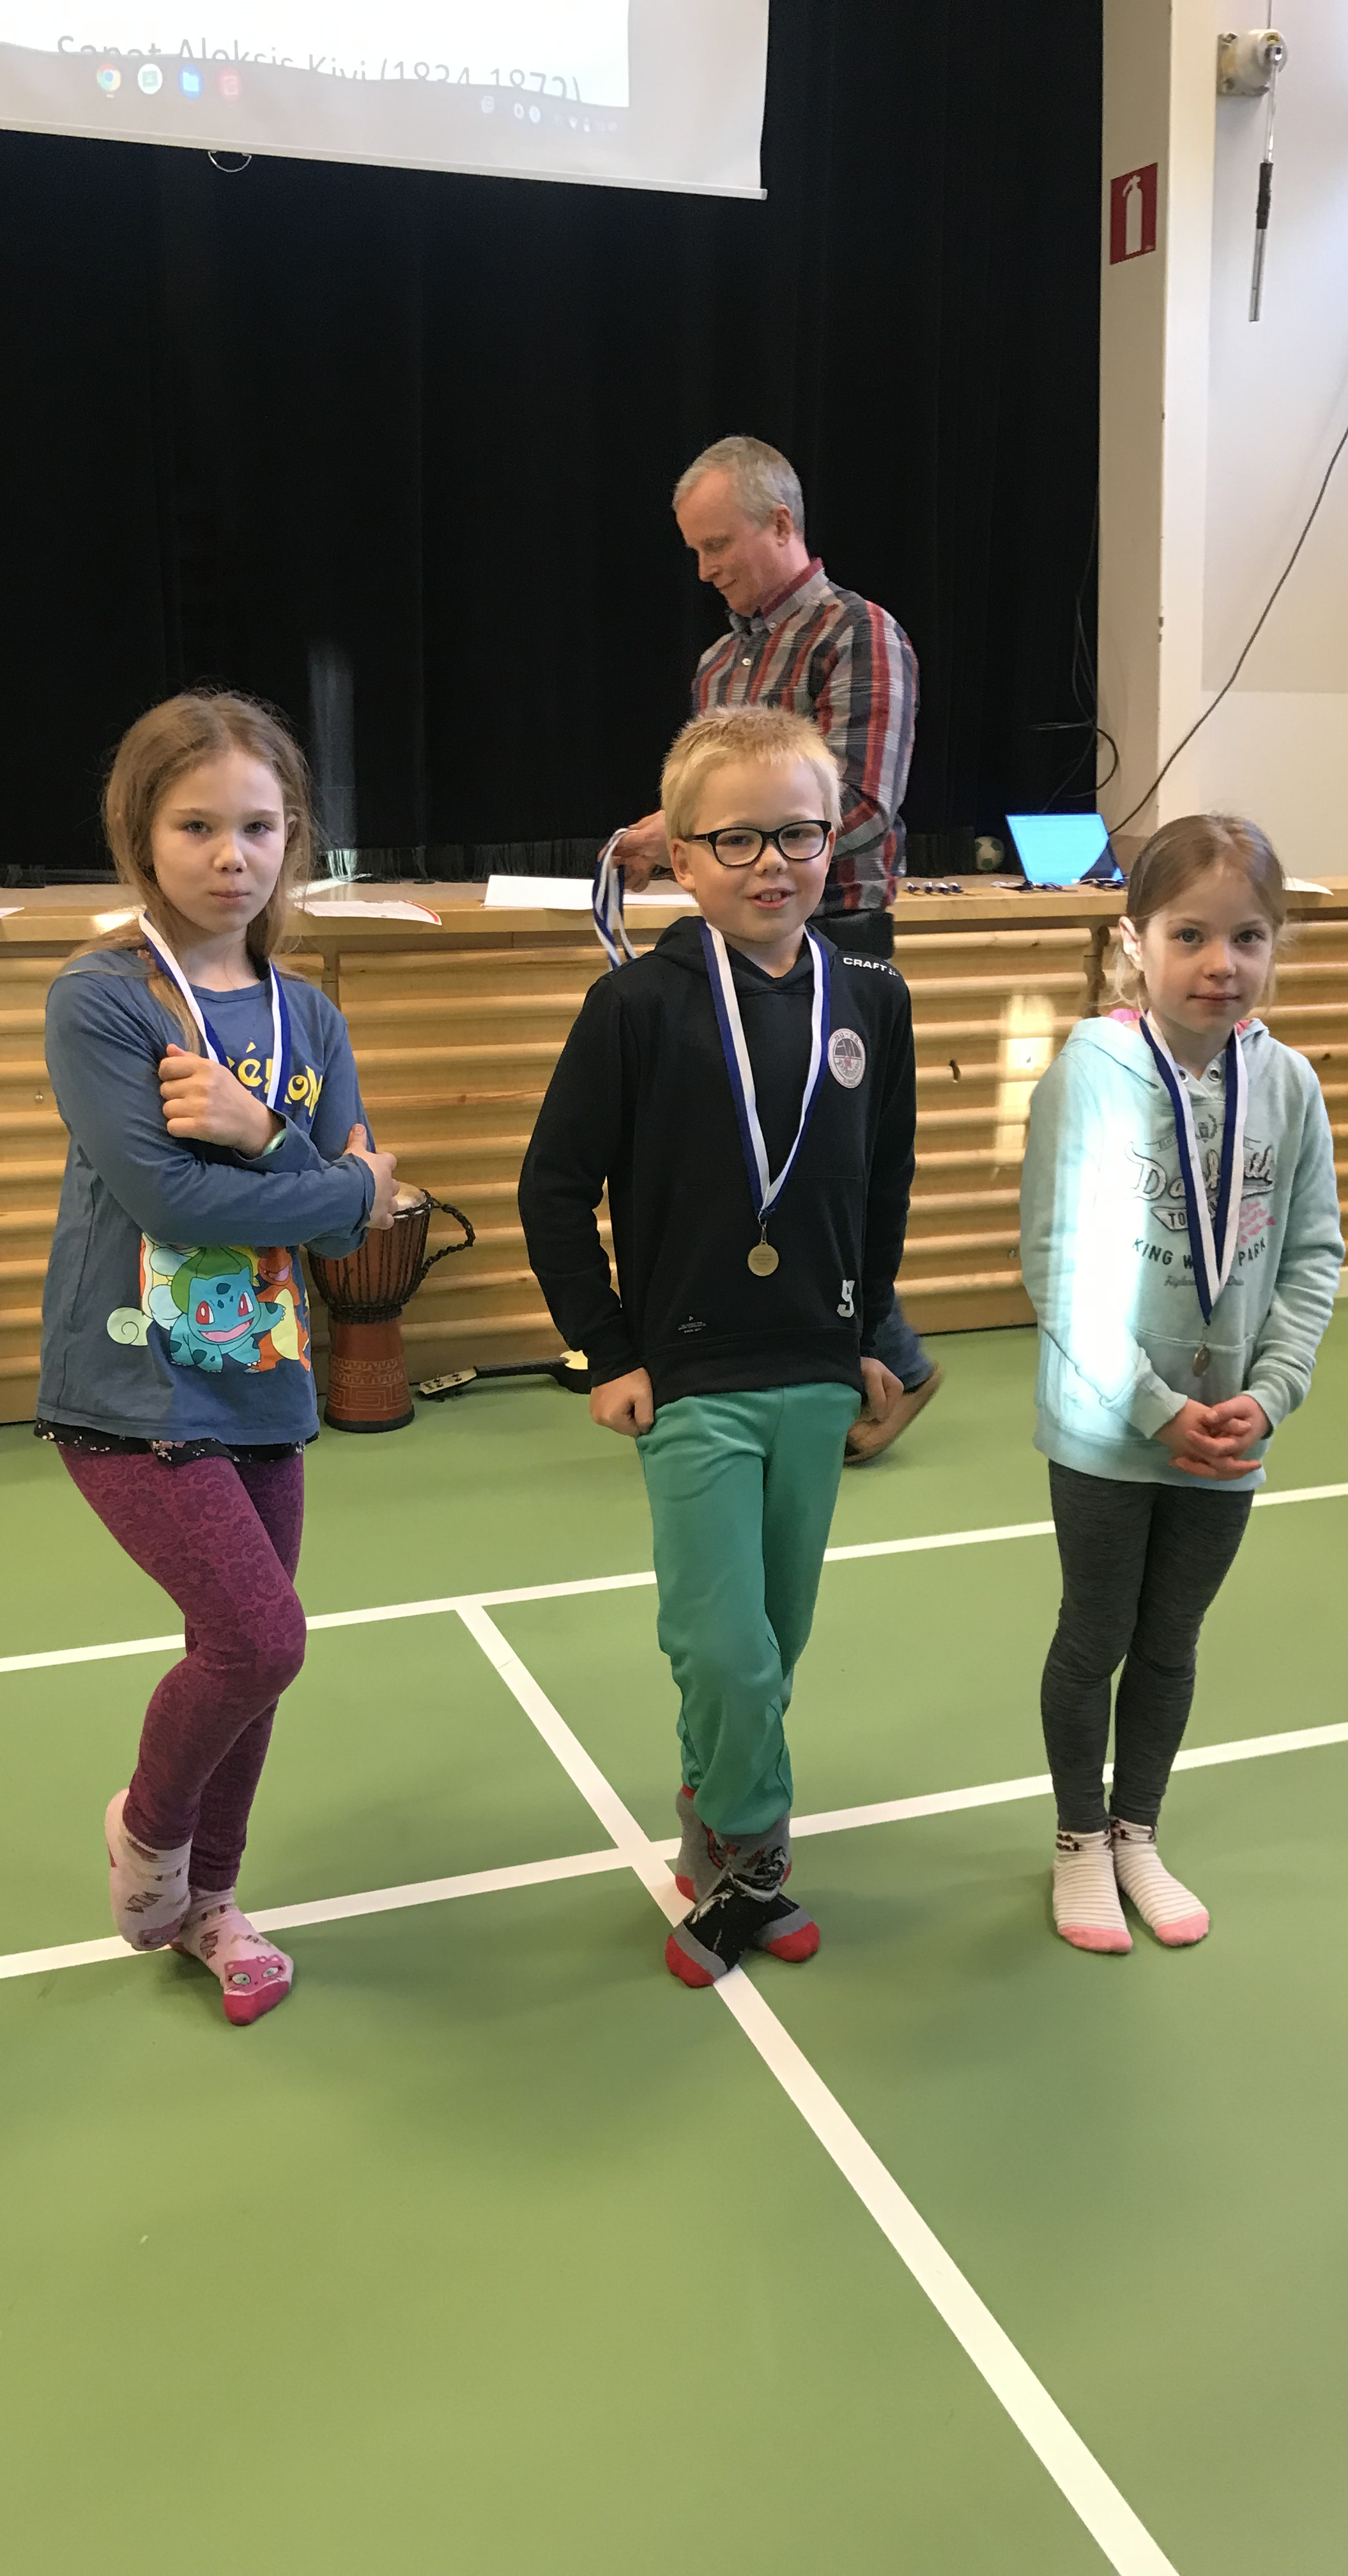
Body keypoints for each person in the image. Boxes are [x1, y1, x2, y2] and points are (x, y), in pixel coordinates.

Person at [520, 705, 917, 1986]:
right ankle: (754, 1865)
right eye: (736, 838)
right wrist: (607, 1350)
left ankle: (709, 1819)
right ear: (679, 856)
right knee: (723, 1649)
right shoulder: (635, 1006)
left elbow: (883, 1186)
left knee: (774, 1643)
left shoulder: (872, 1000)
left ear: (834, 841)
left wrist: (871, 1335)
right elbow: (552, 1188)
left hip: (815, 1373)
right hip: (689, 1380)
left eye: (799, 834)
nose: (771, 863)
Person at [35, 690, 397, 2025]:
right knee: (258, 1639)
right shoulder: (103, 1001)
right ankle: (149, 1831)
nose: (230, 856)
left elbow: (348, 1215)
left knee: (251, 1657)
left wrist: (261, 1136)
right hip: (130, 1384)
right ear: (142, 833)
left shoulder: (309, 1014)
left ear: (294, 835)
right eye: (196, 826)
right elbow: (171, 1200)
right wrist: (333, 1186)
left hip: (264, 1381)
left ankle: (214, 1904)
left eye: (258, 825)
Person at [1018, 813, 1343, 1956]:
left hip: (1231, 1432)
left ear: (1277, 945)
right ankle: (1077, 1840)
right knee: (1096, 1633)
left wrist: (1275, 1390)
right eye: (1190, 935)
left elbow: (1311, 1254)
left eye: (1249, 937)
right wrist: (1155, 1409)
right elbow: (1060, 1270)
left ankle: (1136, 1831)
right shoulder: (1091, 1076)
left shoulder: (1289, 1085)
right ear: (1134, 942)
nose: (1221, 964)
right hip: (1109, 1429)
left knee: (1172, 1641)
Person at [615, 434, 938, 1461]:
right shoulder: (719, 663)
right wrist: (674, 844)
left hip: (834, 938)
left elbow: (862, 804)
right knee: (748, 1163)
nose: (704, 570)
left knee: (826, 1165)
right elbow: (717, 809)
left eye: (718, 545)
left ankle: (895, 1363)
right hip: (738, 948)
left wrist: (723, 848)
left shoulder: (859, 635)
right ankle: (781, 1367)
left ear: (782, 523)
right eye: (695, 551)